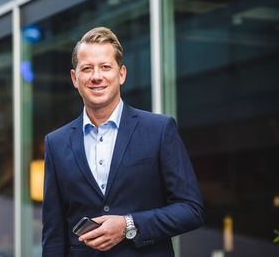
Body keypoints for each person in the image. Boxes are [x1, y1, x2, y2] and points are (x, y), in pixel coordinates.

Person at [42, 27, 204, 257]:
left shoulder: (159, 130)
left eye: (105, 67)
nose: (96, 76)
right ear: (74, 78)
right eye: (87, 68)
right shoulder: (55, 143)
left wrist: (129, 224)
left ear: (122, 74)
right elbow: (53, 232)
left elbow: (191, 210)